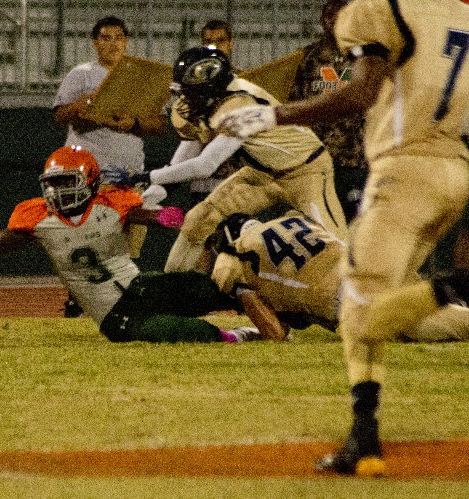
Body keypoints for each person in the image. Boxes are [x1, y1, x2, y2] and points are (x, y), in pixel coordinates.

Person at [216, 0, 469, 476]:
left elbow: (360, 94)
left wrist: (276, 116)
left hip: (405, 170)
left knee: (358, 312)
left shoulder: (374, 8)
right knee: (374, 302)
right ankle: (363, 437)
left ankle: (456, 289)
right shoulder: (456, 11)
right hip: (454, 167)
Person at [0, 146, 262, 344]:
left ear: (89, 181)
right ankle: (239, 335)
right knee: (176, 331)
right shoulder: (36, 217)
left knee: (200, 287)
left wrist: (165, 217)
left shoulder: (111, 202)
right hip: (113, 313)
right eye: (53, 183)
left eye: (66, 181)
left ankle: (280, 304)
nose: (59, 190)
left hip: (138, 287)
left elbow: (145, 214)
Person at [102, 46, 348, 274]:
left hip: (307, 172)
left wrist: (145, 176)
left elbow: (204, 165)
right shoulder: (212, 103)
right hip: (263, 174)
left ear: (210, 89)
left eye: (191, 94)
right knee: (198, 221)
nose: (185, 101)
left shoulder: (239, 104)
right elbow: (183, 157)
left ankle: (359, 301)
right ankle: (169, 293)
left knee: (334, 244)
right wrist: (153, 193)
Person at [207, 204, 469, 343]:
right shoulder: (292, 219)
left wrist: (242, 298)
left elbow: (276, 334)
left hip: (355, 298)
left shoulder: (234, 256)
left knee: (447, 324)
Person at [53, 16, 168, 315]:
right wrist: (80, 106)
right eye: (105, 37)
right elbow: (59, 115)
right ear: (94, 42)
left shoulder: (140, 76)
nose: (112, 43)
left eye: (118, 37)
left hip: (129, 171)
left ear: (126, 41)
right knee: (91, 240)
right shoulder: (82, 74)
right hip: (89, 172)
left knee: (127, 244)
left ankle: (117, 300)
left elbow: (159, 124)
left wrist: (134, 123)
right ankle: (78, 301)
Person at [288, 0, 367, 223]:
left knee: (354, 223)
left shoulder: (364, 58)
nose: (334, 22)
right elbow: (295, 103)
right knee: (316, 224)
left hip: (353, 159)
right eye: (329, 17)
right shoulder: (306, 57)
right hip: (314, 159)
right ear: (322, 21)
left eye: (340, 16)